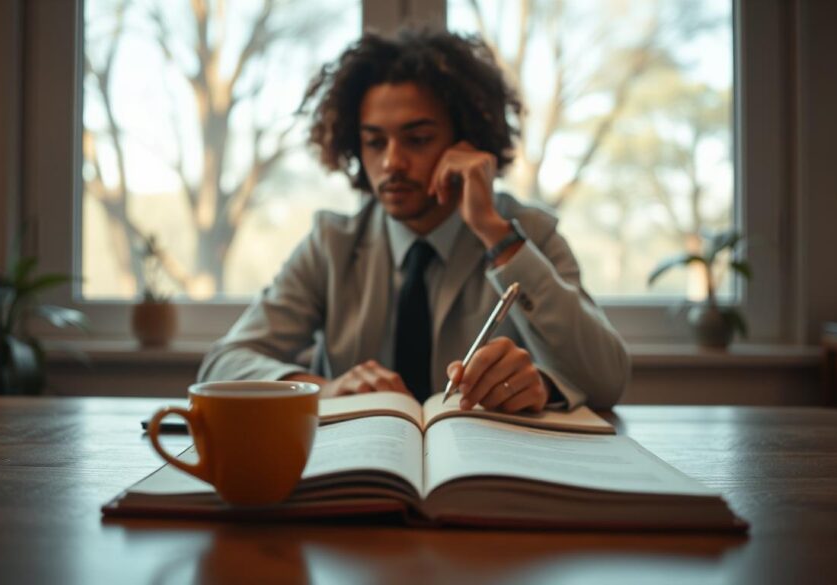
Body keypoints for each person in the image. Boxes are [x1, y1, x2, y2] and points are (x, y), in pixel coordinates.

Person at [199, 29, 629, 412]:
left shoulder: (528, 234)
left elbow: (607, 379)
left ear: (469, 142)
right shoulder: (331, 243)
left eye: (418, 139)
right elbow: (222, 364)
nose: (391, 163)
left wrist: (495, 236)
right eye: (373, 142)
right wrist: (323, 391)